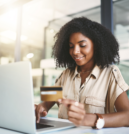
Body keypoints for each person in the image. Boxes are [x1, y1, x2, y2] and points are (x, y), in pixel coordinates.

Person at [35, 17, 129, 128]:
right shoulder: (65, 74)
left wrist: (92, 119)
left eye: (82, 45)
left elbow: (127, 116)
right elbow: (46, 101)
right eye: (71, 46)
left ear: (96, 44)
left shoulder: (111, 73)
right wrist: (41, 107)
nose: (75, 51)